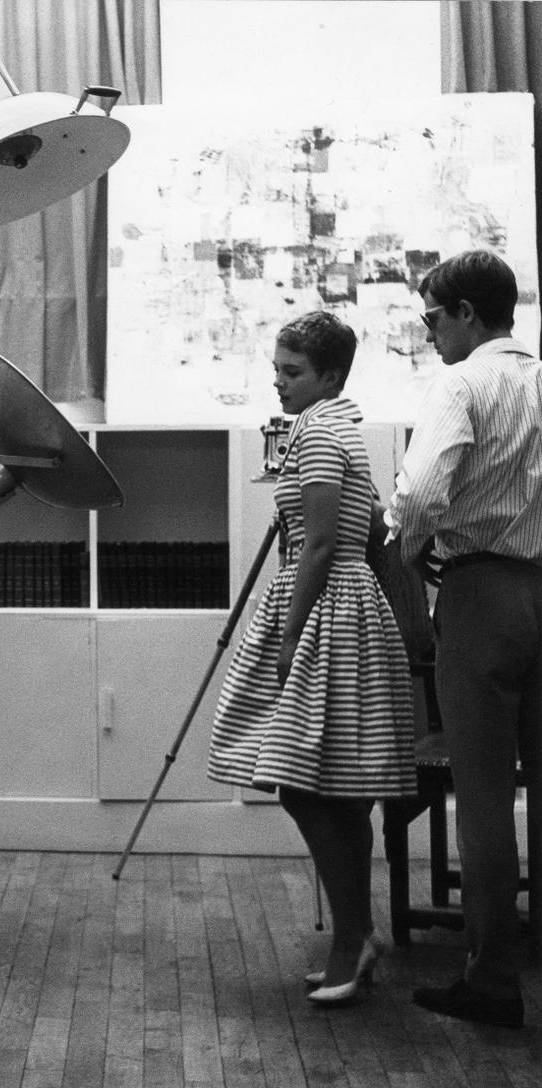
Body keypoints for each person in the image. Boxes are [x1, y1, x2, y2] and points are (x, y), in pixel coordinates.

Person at [207, 311, 416, 1006]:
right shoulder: (337, 426)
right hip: (342, 601)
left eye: (293, 372)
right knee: (335, 786)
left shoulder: (320, 431)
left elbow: (322, 544)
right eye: (277, 368)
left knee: (306, 785)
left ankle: (352, 938)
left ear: (330, 376)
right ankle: (359, 935)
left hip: (327, 605)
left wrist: (292, 634)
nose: (279, 381)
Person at [388, 249, 542, 1030]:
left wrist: (411, 549)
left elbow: (420, 492)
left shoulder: (462, 384)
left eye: (432, 318)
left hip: (483, 592)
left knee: (482, 799)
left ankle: (492, 980)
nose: (429, 334)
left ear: (467, 314)